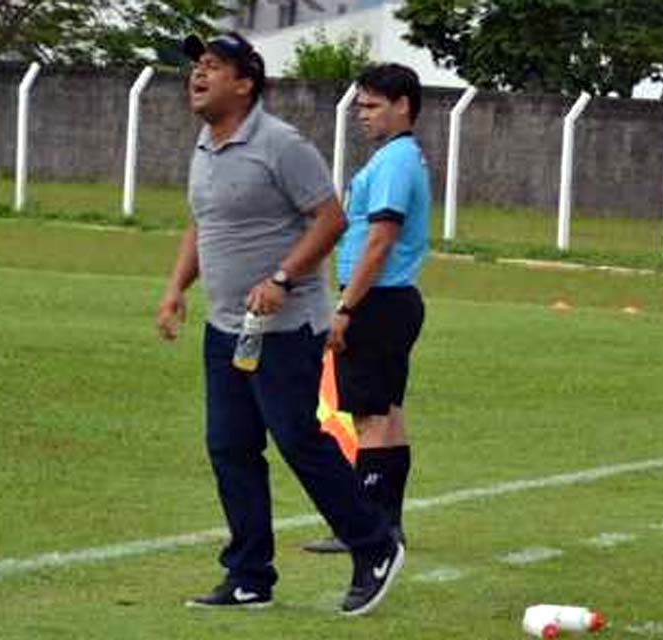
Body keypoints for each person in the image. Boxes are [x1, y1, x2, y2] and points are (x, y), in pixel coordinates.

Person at [156, 31, 402, 616]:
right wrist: (175, 289)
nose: (198, 75)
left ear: (245, 83)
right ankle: (249, 575)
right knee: (229, 446)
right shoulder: (205, 146)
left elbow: (331, 219)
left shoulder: (280, 144)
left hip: (286, 328)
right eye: (197, 66)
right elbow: (203, 224)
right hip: (226, 328)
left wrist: (283, 278)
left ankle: (375, 545)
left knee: (297, 439)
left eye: (213, 66)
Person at [303, 63, 429, 555]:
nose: (363, 114)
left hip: (376, 300)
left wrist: (346, 307)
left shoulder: (395, 162)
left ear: (403, 106)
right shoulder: (401, 157)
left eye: (373, 105)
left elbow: (380, 241)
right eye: (360, 105)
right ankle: (387, 525)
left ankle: (369, 530)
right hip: (392, 300)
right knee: (387, 415)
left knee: (369, 419)